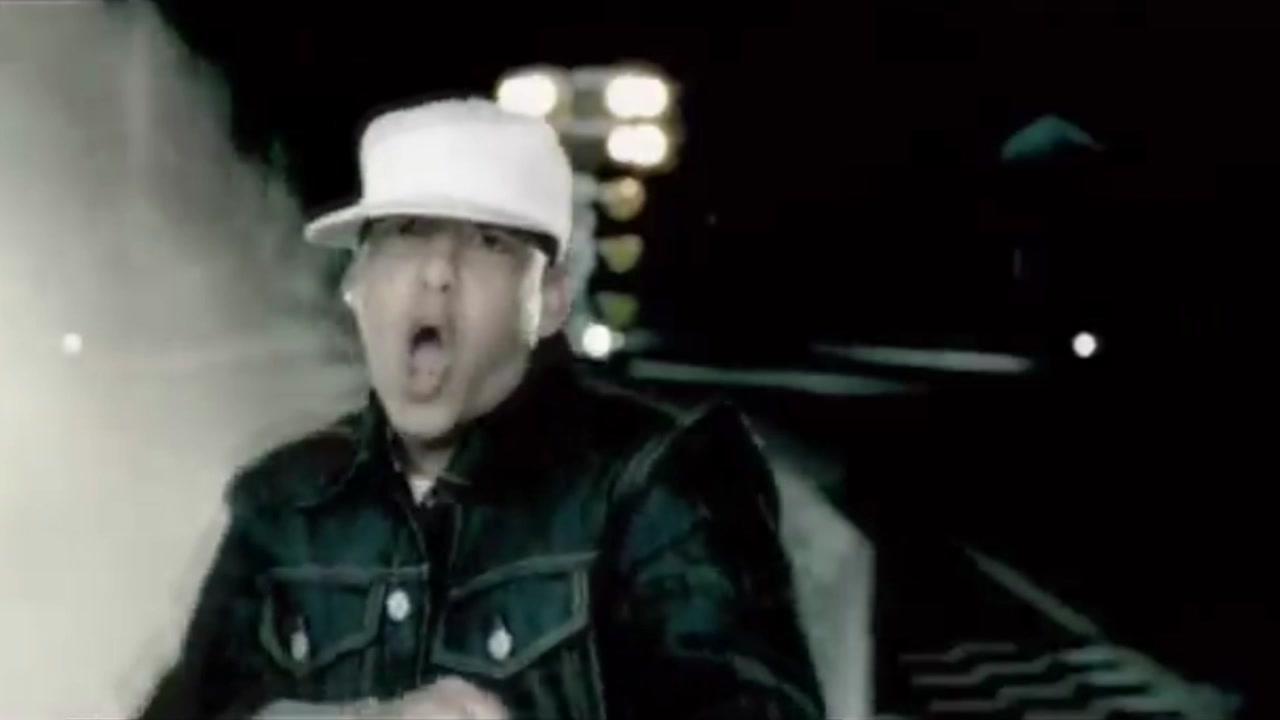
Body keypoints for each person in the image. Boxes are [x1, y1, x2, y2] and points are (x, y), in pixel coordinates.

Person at [136, 98, 824, 720]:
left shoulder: (656, 484)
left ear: (548, 300)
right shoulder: (283, 508)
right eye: (407, 231)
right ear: (357, 285)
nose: (438, 271)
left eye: (488, 241)